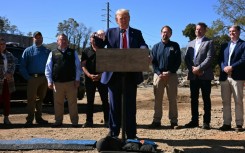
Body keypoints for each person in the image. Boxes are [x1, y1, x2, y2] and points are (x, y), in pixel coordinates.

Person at [100, 8, 148, 139]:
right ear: (117, 20)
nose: (124, 20)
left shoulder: (136, 33)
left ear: (129, 18)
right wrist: (96, 35)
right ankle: (114, 132)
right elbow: (99, 44)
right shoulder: (109, 32)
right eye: (121, 18)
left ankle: (131, 133)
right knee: (114, 106)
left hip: (130, 75)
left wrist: (143, 51)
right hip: (113, 75)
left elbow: (143, 45)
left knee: (130, 106)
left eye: (126, 17)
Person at [45, 33, 81, 127]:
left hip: (71, 82)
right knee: (58, 103)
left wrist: (77, 79)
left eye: (65, 39)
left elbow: (78, 67)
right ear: (57, 42)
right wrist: (49, 81)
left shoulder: (73, 52)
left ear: (67, 41)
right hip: (57, 83)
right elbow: (48, 68)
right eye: (61, 39)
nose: (63, 41)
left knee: (73, 103)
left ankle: (75, 122)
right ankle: (58, 121)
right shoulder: (52, 53)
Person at [149, 26, 181, 129]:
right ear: (160, 33)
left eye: (167, 32)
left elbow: (178, 61)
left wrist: (170, 71)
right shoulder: (155, 47)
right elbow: (153, 63)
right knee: (158, 99)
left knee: (172, 99)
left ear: (170, 34)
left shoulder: (175, 46)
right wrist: (159, 73)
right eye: (163, 32)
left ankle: (174, 121)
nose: (165, 34)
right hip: (158, 76)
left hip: (171, 75)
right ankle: (156, 120)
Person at [184, 22, 215, 130]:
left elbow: (210, 58)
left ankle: (206, 122)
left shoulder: (209, 42)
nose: (198, 31)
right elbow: (186, 58)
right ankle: (194, 120)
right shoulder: (190, 43)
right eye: (197, 29)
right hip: (193, 76)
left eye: (201, 29)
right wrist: (192, 69)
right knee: (194, 99)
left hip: (204, 75)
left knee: (206, 99)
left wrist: (199, 68)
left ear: (205, 30)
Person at [19, 31, 50, 125]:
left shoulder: (46, 51)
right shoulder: (28, 51)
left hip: (44, 78)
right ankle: (29, 120)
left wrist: (48, 78)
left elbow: (50, 66)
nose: (38, 39)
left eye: (40, 37)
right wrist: (28, 78)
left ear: (42, 38)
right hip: (32, 78)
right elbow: (22, 66)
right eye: (36, 37)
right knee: (31, 100)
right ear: (33, 39)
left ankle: (39, 118)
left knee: (41, 99)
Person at [218, 25, 245, 132]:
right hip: (225, 76)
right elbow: (220, 59)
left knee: (238, 100)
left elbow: (244, 59)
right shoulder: (224, 45)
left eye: (234, 31)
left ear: (239, 32)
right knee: (225, 101)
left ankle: (239, 124)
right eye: (230, 31)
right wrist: (224, 67)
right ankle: (226, 123)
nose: (231, 33)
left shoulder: (243, 44)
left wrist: (232, 67)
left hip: (237, 77)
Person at [81, 30, 109, 128]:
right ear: (90, 40)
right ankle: (89, 121)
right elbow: (83, 65)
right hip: (89, 79)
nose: (93, 39)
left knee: (105, 100)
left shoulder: (104, 51)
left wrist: (101, 75)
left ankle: (107, 120)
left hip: (102, 79)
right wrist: (89, 75)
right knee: (90, 100)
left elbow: (108, 65)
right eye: (92, 38)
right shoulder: (86, 51)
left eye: (95, 38)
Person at [0, 38, 16, 124]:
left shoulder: (9, 54)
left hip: (8, 81)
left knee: (7, 100)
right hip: (0, 80)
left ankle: (6, 118)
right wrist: (3, 74)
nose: (2, 46)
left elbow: (13, 65)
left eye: (3, 44)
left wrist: (10, 73)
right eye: (0, 44)